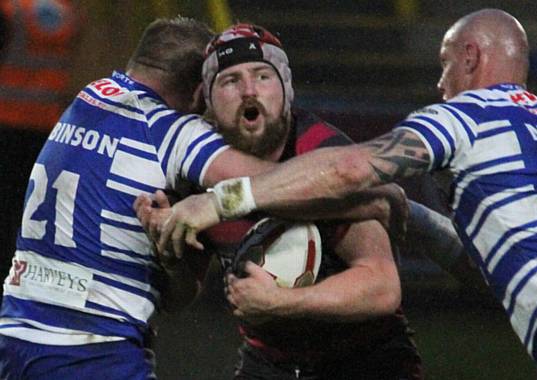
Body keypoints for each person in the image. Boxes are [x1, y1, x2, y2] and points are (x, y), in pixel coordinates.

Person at [151, 9, 537, 379]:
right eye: (231, 81)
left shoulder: (466, 115)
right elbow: (490, 271)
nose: (439, 82)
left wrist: (221, 201)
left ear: (469, 58)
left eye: (445, 65)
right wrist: (415, 215)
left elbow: (347, 171)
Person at [0, 16, 283, 379]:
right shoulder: (170, 130)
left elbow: (174, 295)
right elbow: (271, 185)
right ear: (201, 92)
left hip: (16, 334)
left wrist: (171, 259)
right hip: (89, 350)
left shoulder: (90, 95)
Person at [190, 23, 426, 379]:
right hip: (271, 361)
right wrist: (167, 246)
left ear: (286, 89)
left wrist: (277, 303)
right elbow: (181, 293)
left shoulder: (323, 153)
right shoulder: (196, 164)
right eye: (230, 81)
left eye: (263, 76)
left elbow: (382, 286)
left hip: (365, 358)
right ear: (209, 102)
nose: (249, 91)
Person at [0, 0, 81, 297]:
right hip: (46, 128)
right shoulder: (68, 12)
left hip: (6, 122)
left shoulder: (11, 9)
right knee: (31, 214)